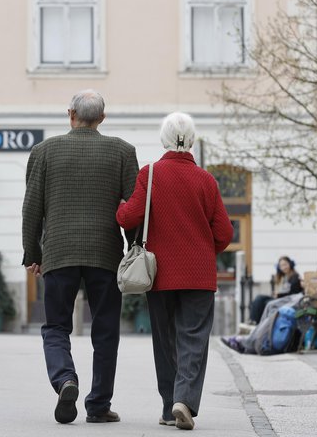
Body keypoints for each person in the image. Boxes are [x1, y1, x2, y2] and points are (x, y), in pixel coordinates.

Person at [22, 89, 139, 425]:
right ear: (102, 118)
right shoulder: (122, 152)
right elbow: (132, 212)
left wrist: (34, 253)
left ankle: (65, 380)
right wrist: (135, 250)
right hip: (105, 254)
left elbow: (31, 210)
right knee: (105, 332)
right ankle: (99, 404)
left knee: (56, 326)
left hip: (58, 253)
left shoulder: (44, 152)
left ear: (70, 114)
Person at [116, 112, 233, 431]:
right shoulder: (206, 180)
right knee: (193, 338)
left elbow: (129, 218)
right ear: (192, 140)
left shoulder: (150, 174)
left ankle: (169, 408)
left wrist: (121, 205)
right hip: (198, 275)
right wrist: (204, 252)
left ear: (163, 140)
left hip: (160, 274)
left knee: (165, 340)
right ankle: (185, 399)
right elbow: (224, 232)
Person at [249, 256, 302, 324]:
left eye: (285, 264)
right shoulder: (284, 277)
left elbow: (292, 293)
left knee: (267, 303)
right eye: (281, 266)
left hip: (288, 300)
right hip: (281, 297)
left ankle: (260, 323)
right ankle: (253, 320)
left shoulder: (295, 277)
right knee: (259, 298)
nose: (284, 267)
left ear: (290, 264)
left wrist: (279, 295)